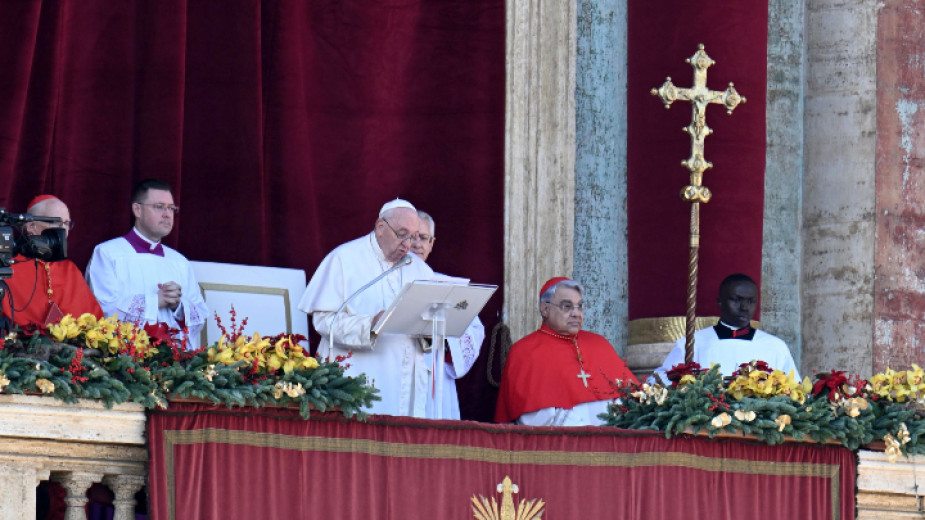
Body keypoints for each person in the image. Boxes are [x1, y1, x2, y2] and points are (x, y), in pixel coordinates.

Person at [298, 199, 436, 417]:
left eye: (413, 236)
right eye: (402, 234)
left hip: (403, 384)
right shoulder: (344, 259)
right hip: (358, 378)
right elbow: (324, 320)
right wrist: (369, 325)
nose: (408, 244)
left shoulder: (420, 269)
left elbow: (431, 324)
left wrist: (430, 328)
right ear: (380, 227)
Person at [495, 277, 638, 426]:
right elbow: (532, 416)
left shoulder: (599, 344)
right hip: (560, 444)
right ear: (545, 309)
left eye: (580, 306)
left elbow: (631, 398)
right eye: (567, 307)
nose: (576, 313)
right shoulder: (524, 352)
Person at [85, 179, 208, 348]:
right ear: (137, 209)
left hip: (175, 363)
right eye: (159, 206)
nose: (167, 214)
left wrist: (178, 306)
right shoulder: (108, 253)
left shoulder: (179, 262)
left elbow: (199, 317)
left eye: (171, 208)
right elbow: (102, 309)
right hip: (125, 363)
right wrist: (154, 301)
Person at [651, 273, 800, 381]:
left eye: (751, 301)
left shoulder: (775, 347)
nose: (744, 307)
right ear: (720, 302)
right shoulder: (692, 343)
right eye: (737, 300)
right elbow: (660, 381)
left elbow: (795, 390)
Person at [412, 210, 485, 420]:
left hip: (436, 376)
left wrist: (445, 343)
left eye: (423, 238)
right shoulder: (385, 284)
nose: (417, 244)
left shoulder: (448, 285)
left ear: (432, 243)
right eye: (412, 237)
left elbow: (475, 330)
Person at [0, 195, 103, 327]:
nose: (63, 230)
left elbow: (94, 323)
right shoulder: (7, 266)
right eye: (55, 222)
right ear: (31, 226)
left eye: (66, 223)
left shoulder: (70, 270)